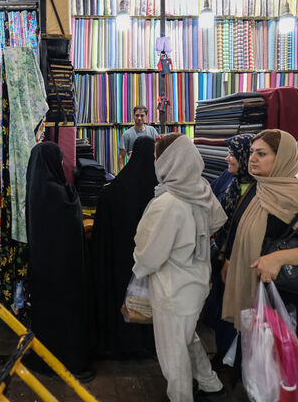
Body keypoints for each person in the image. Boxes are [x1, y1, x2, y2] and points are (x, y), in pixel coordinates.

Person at [133, 133, 227, 402]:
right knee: (187, 338)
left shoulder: (166, 203)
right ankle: (211, 384)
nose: (154, 161)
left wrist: (139, 262)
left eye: (156, 156)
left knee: (173, 355)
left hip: (171, 288)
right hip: (197, 282)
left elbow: (149, 256)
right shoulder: (201, 189)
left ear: (169, 161)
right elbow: (216, 223)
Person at [222, 129, 298, 344]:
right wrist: (232, 259)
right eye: (251, 152)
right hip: (257, 290)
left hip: (287, 296)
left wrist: (277, 258)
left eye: (262, 154)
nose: (252, 159)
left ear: (282, 158)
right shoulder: (257, 188)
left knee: (286, 362)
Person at [26, 142, 90, 377]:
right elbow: (72, 212)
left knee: (47, 316)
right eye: (60, 160)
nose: (63, 164)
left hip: (43, 269)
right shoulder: (57, 192)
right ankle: (69, 362)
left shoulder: (35, 188)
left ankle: (47, 360)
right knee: (65, 317)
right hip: (62, 269)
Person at [90, 136, 157, 357]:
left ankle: (122, 342)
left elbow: (100, 235)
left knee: (122, 294)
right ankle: (148, 344)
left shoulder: (112, 191)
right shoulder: (160, 191)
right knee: (150, 299)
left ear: (132, 155)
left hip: (118, 259)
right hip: (150, 261)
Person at [202, 134, 254, 361]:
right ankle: (223, 354)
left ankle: (234, 360)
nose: (227, 159)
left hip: (244, 261)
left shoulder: (260, 188)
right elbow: (208, 198)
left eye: (232, 154)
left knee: (240, 312)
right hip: (221, 257)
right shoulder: (227, 178)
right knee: (221, 309)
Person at [118, 105, 158, 171]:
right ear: (134, 116)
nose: (139, 118)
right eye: (137, 115)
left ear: (146, 116)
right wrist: (121, 175)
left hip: (151, 171)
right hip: (133, 171)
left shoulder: (152, 131)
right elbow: (121, 156)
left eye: (142, 115)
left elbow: (158, 151)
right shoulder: (127, 134)